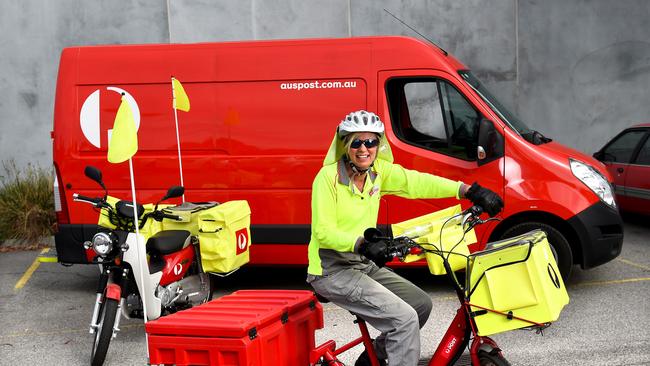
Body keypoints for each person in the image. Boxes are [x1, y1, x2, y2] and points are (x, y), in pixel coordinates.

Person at [307, 110, 503, 366]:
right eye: (356, 142)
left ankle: (376, 355)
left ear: (379, 145)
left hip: (362, 265)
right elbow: (323, 231)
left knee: (421, 305)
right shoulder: (327, 179)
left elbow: (417, 182)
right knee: (404, 320)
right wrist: (362, 244)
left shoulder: (378, 173)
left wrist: (467, 190)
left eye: (371, 142)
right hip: (332, 271)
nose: (364, 148)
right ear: (345, 144)